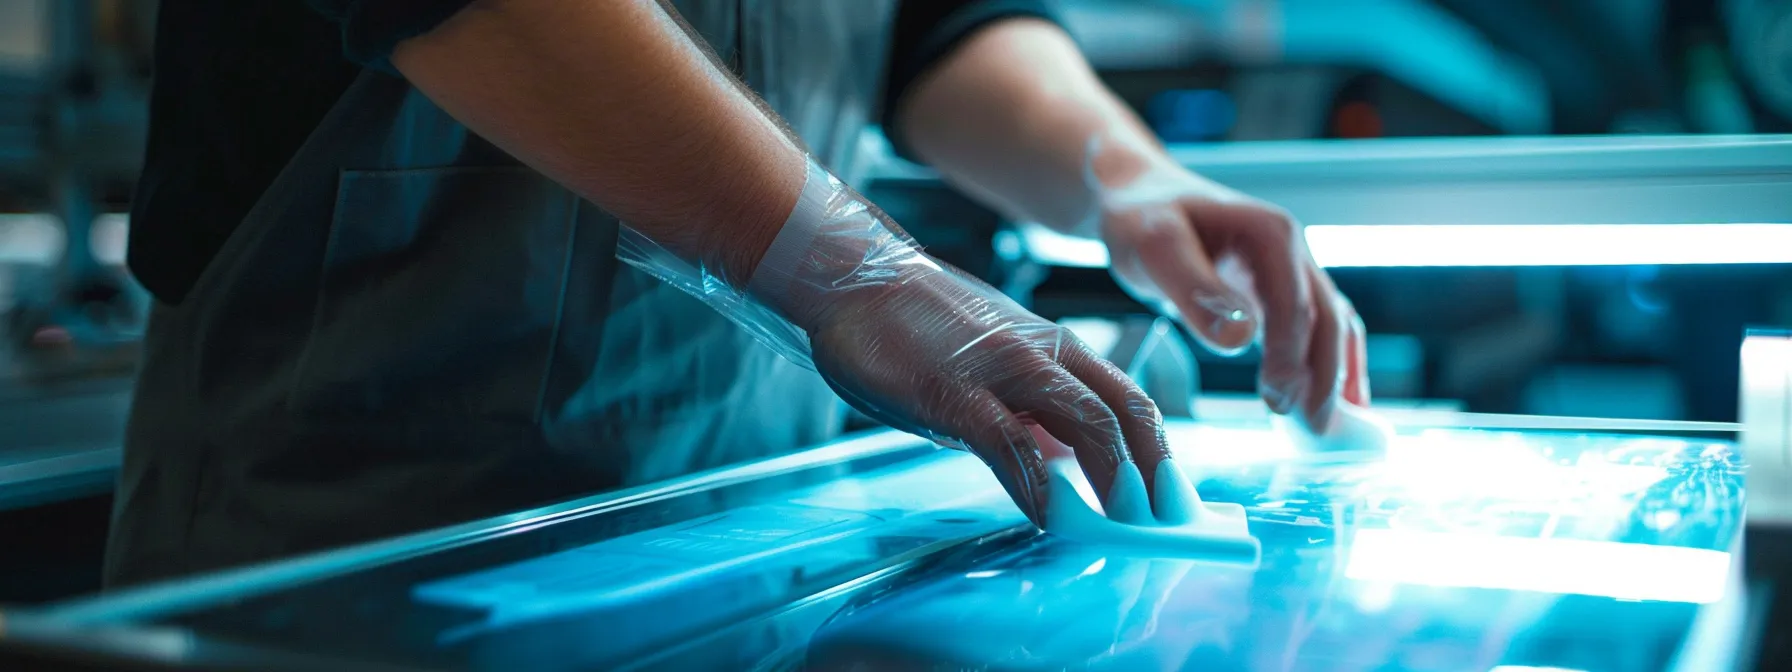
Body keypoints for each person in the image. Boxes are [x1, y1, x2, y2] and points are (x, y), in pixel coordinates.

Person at [105, 0, 1369, 588]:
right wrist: (853, 266)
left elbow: (934, 25)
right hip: (343, 555)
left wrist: (1120, 176)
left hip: (735, 541)